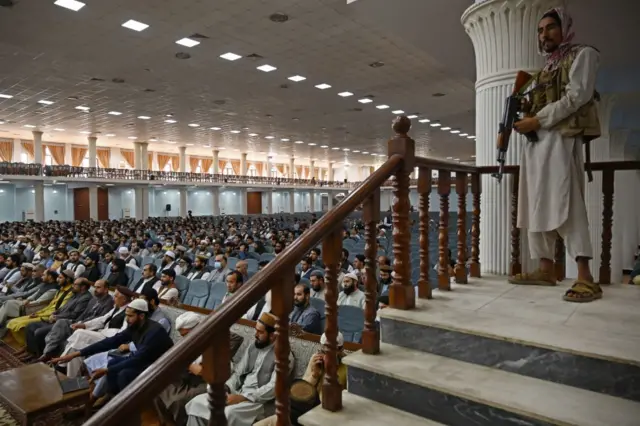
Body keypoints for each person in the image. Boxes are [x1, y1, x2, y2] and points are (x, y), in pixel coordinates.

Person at [510, 7, 602, 303]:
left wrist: (537, 120)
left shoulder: (582, 54)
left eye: (550, 27)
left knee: (567, 202)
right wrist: (524, 113)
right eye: (540, 30)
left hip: (561, 140)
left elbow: (577, 96)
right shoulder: (543, 70)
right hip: (536, 145)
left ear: (564, 28)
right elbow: (539, 102)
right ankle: (545, 268)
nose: (544, 34)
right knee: (534, 204)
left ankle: (586, 277)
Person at [185, 313, 293, 426]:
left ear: (273, 335)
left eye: (260, 332)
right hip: (237, 391)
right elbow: (238, 372)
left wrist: (242, 398)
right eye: (256, 330)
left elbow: (273, 388)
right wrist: (226, 388)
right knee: (197, 403)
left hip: (258, 401)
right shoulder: (253, 346)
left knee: (227, 414)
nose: (255, 335)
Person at [52, 298, 173, 398]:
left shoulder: (155, 331)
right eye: (126, 315)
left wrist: (107, 370)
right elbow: (110, 342)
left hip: (159, 366)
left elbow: (139, 359)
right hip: (143, 360)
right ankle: (102, 398)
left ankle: (124, 407)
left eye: (130, 316)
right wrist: (76, 354)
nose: (127, 319)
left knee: (123, 373)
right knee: (112, 363)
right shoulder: (134, 326)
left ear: (141, 316)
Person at [153, 312, 244, 426]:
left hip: (210, 383)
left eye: (186, 335)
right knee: (156, 388)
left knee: (177, 401)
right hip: (188, 377)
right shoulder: (188, 341)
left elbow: (236, 338)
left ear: (198, 328)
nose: (185, 339)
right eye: (182, 336)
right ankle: (167, 422)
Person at [254, 332, 348, 426]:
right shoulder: (316, 360)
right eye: (323, 351)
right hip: (300, 410)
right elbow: (300, 393)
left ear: (340, 350)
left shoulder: (348, 368)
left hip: (321, 416)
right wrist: (314, 376)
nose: (326, 356)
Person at [59, 286, 134, 378]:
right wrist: (84, 324)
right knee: (74, 348)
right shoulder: (117, 308)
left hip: (110, 338)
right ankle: (71, 378)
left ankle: (61, 364)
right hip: (102, 333)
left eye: (116, 296)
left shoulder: (129, 311)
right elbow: (102, 319)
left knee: (80, 333)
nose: (113, 298)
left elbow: (124, 331)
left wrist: (108, 332)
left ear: (124, 299)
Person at [38, 279, 114, 362]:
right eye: (95, 287)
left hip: (90, 327)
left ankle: (48, 355)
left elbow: (100, 319)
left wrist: (82, 323)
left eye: (98, 287)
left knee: (58, 327)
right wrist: (77, 321)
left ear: (106, 289)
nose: (95, 289)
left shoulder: (109, 302)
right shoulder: (94, 299)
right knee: (61, 323)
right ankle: (47, 353)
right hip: (79, 322)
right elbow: (84, 313)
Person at [18, 277, 94, 360]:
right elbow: (62, 308)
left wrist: (57, 317)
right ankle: (31, 352)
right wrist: (54, 313)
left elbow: (74, 315)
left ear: (83, 287)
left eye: (75, 284)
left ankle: (41, 356)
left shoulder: (85, 298)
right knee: (30, 326)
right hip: (56, 318)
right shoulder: (75, 294)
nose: (72, 286)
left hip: (64, 323)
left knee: (39, 332)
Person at [4, 269, 75, 346]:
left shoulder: (70, 292)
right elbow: (50, 306)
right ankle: (25, 346)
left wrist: (39, 315)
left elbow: (58, 310)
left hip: (51, 316)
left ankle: (27, 347)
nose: (58, 279)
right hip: (43, 313)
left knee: (18, 324)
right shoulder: (60, 289)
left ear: (67, 279)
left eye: (60, 278)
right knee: (12, 322)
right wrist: (38, 313)